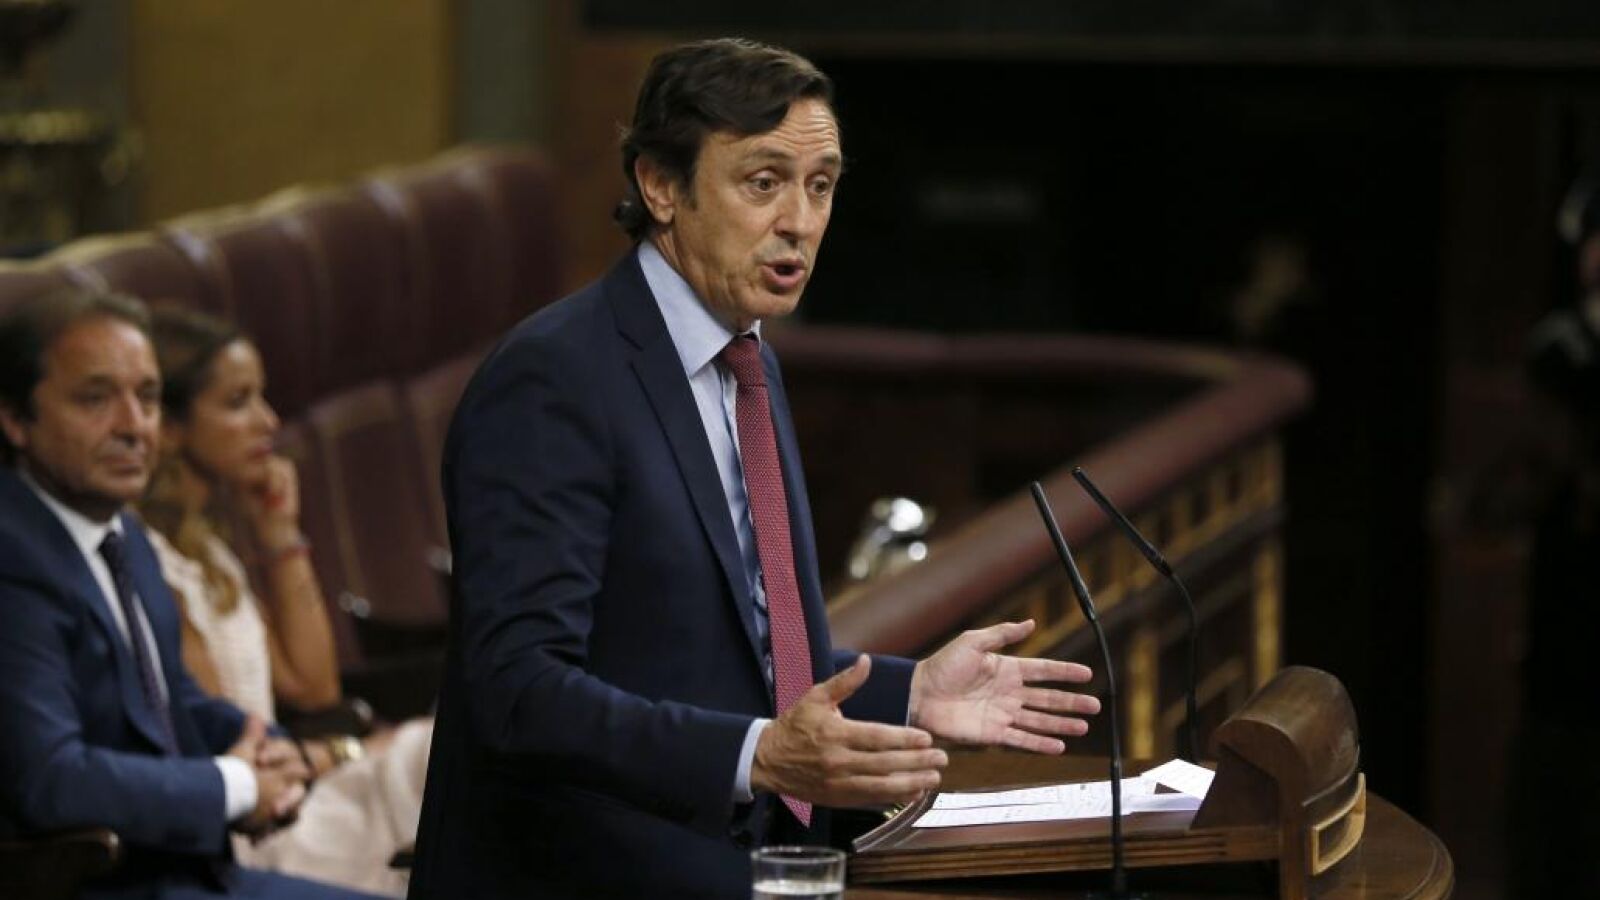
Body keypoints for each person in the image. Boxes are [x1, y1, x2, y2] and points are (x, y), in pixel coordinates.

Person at [409, 38, 1102, 899]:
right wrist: (758, 757)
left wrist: (911, 692)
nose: (800, 222)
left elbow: (727, 651)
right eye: (764, 182)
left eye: (821, 186)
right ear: (661, 186)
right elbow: (520, 693)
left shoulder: (749, 360)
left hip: (752, 867)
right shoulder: (555, 378)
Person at [0, 288, 381, 899]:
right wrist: (234, 786)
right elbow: (51, 779)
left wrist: (274, 754)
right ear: (16, 418)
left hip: (192, 870)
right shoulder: (13, 558)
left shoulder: (123, 534)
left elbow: (170, 698)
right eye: (96, 399)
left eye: (147, 398)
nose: (134, 426)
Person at [138, 306, 432, 897]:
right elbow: (223, 737)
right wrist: (342, 751)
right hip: (265, 821)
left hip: (305, 782)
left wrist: (279, 534)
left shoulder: (207, 550)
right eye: (237, 402)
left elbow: (312, 687)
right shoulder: (150, 565)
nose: (268, 421)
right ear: (169, 427)